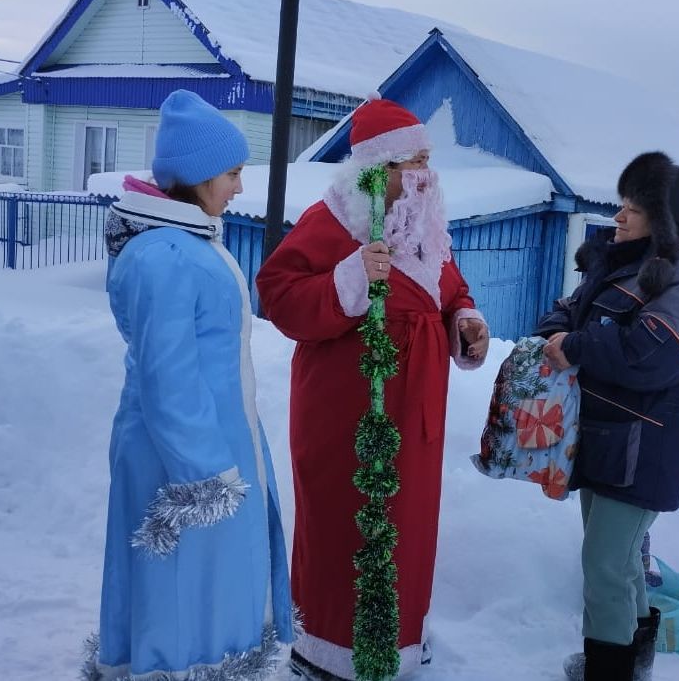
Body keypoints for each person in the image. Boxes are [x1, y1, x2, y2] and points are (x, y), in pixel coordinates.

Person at [255, 96, 489, 680]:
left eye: (428, 161)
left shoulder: (426, 225)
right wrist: (352, 277)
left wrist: (464, 322)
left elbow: (450, 289)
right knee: (344, 521)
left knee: (410, 525)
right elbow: (278, 294)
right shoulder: (332, 220)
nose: (425, 176)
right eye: (413, 162)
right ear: (376, 170)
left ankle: (403, 639)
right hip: (348, 415)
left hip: (416, 413)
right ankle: (331, 647)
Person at [86, 90, 295, 681]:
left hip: (211, 451)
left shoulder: (185, 242)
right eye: (232, 173)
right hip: (185, 464)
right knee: (182, 591)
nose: (239, 188)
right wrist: (204, 473)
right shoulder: (168, 257)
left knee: (204, 588)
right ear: (200, 174)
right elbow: (167, 377)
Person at [534, 151, 679, 681]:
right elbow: (566, 308)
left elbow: (650, 356)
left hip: (646, 446)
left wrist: (574, 345)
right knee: (617, 563)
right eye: (620, 205)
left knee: (603, 565)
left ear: (662, 221)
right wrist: (556, 333)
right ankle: (636, 651)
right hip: (606, 438)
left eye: (633, 209)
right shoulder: (620, 266)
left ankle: (609, 668)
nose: (618, 217)